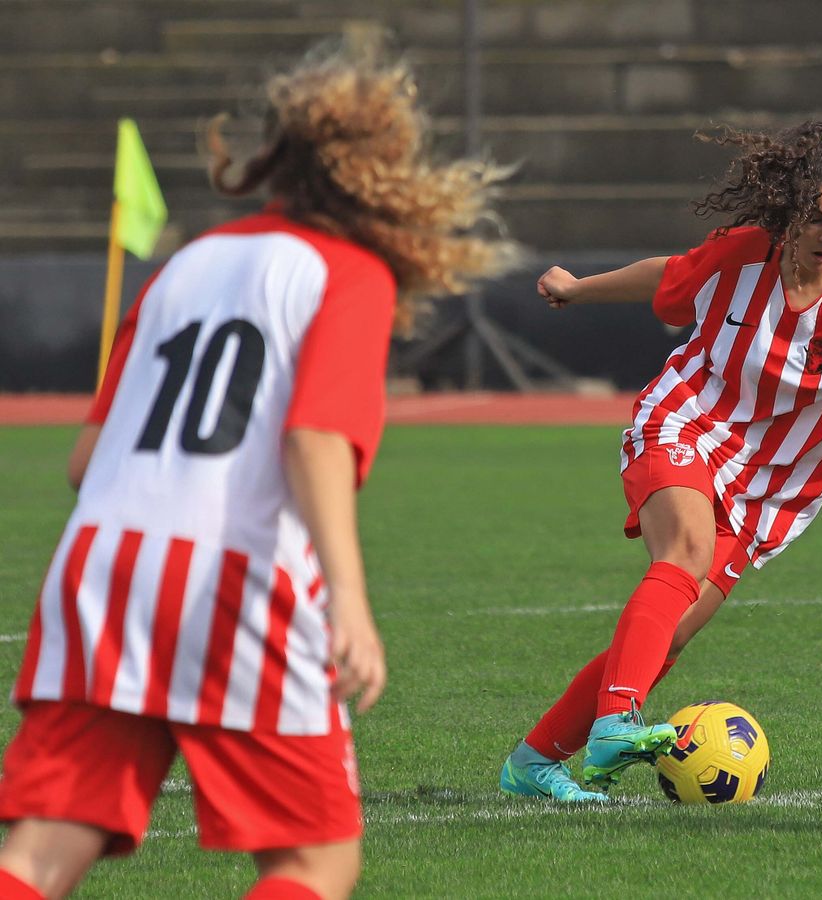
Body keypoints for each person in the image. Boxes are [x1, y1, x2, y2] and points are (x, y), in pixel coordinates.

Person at [0, 41, 519, 899]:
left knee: (38, 854)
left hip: (100, 566)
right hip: (231, 578)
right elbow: (314, 439)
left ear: (277, 156)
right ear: (382, 174)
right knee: (314, 862)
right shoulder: (348, 273)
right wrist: (349, 599)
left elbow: (85, 460)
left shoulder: (185, 264)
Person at [499, 121, 822, 802]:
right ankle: (615, 721)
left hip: (764, 489)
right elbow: (670, 275)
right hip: (684, 419)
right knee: (686, 552)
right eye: (816, 218)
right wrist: (578, 287)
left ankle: (534, 763)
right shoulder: (744, 253)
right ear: (789, 213)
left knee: (669, 638)